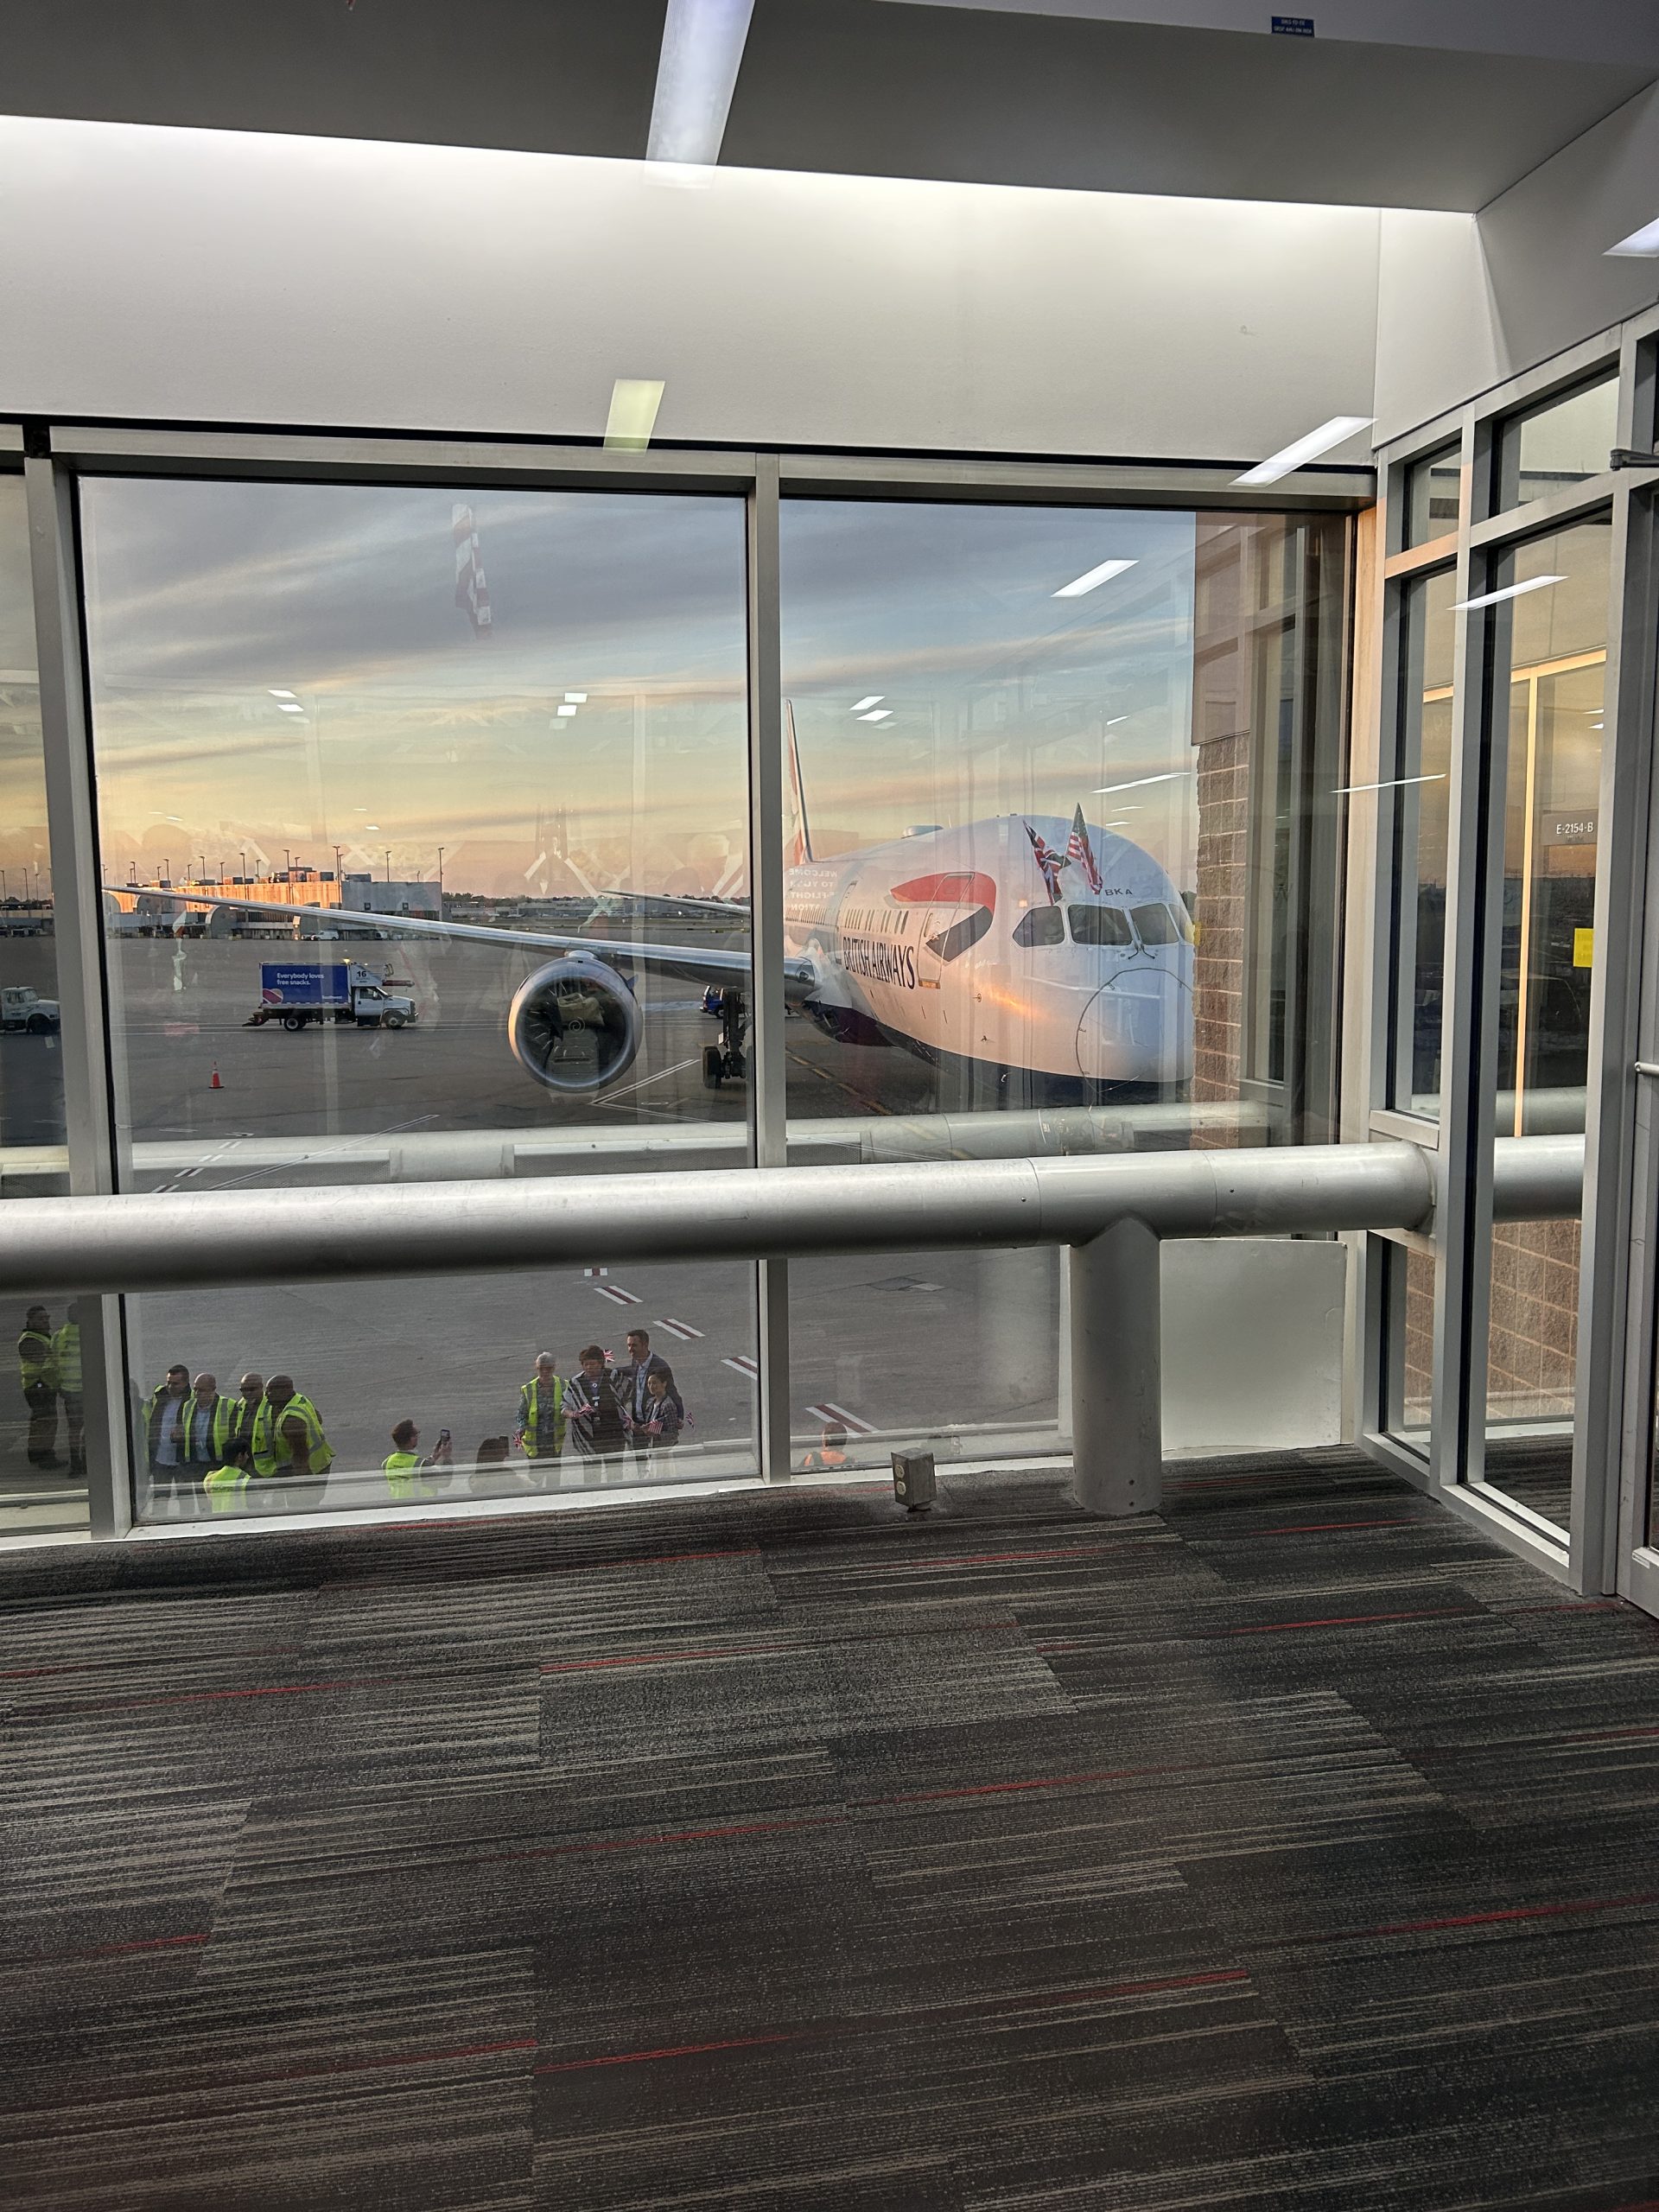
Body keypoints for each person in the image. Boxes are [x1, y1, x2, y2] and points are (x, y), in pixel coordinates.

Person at [255, 1373, 334, 1509]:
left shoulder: (291, 1420)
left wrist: (299, 1488)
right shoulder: (301, 1399)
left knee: (302, 1508)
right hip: (320, 1463)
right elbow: (318, 1419)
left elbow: (300, 1457)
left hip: (309, 1470)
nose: (266, 1395)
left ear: (284, 1391)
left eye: (270, 1391)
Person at [614, 1329, 682, 1470]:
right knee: (641, 1465)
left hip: (652, 1425)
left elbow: (673, 1393)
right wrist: (614, 1371)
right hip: (637, 1424)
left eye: (634, 1345)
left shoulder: (660, 1366)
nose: (630, 1349)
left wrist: (679, 1417)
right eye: (629, 1345)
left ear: (645, 1345)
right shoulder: (636, 1362)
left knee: (656, 1466)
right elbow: (631, 1370)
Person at [563, 1345, 626, 1465]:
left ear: (601, 1363)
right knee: (591, 1470)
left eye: (592, 1364)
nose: (589, 1367)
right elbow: (564, 1406)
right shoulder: (576, 1382)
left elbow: (628, 1396)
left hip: (613, 1432)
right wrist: (573, 1414)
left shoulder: (613, 1377)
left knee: (615, 1469)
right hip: (588, 1435)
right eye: (585, 1364)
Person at [17, 1305, 61, 1471]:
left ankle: (37, 1454)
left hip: (41, 1385)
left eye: (46, 1318)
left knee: (41, 1422)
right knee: (46, 1422)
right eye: (41, 1318)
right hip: (39, 1385)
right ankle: (45, 1457)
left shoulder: (41, 1337)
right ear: (30, 1321)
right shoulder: (30, 1339)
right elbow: (41, 1361)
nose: (45, 1321)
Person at [144, 1363, 193, 1514]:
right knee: (159, 1500)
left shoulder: (192, 1401)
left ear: (185, 1383)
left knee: (185, 1501)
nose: (170, 1387)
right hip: (161, 1459)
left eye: (175, 1384)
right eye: (168, 1382)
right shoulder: (159, 1396)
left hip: (182, 1460)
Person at [383, 1417, 452, 1503]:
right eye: (416, 1434)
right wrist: (447, 1457)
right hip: (420, 1506)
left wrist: (433, 1457)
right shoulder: (420, 1465)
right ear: (411, 1439)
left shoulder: (387, 1462)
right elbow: (445, 1482)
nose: (417, 1437)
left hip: (398, 1506)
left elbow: (412, 1468)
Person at [515, 1352, 566, 1466]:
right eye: (541, 1369)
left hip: (554, 1443)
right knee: (536, 1475)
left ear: (554, 1368)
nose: (545, 1372)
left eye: (548, 1368)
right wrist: (522, 1427)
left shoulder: (564, 1386)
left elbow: (570, 1406)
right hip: (535, 1445)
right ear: (537, 1368)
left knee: (554, 1473)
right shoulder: (528, 1389)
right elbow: (521, 1413)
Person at [53, 1302, 84, 1479]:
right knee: (91, 1427)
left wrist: (59, 1384)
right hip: (89, 1389)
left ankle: (75, 1462)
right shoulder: (91, 1333)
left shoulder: (59, 1336)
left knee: (74, 1428)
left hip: (69, 1390)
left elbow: (54, 1362)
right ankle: (87, 1460)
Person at [178, 1372, 222, 1488]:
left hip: (217, 1463)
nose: (197, 1393)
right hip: (195, 1463)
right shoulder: (188, 1406)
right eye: (196, 1389)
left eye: (202, 1390)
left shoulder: (227, 1405)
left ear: (213, 1390)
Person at [634, 1367, 683, 1470]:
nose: (651, 1386)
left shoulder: (668, 1405)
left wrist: (656, 1435)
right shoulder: (650, 1403)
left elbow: (672, 1434)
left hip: (663, 1454)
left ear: (664, 1384)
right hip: (651, 1450)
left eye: (655, 1383)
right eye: (649, 1383)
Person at [213, 1371, 263, 1462]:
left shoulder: (270, 1405)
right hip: (245, 1459)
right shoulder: (239, 1406)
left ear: (261, 1387)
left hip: (265, 1462)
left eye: (252, 1389)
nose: (247, 1393)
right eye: (243, 1390)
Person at [202, 1443, 256, 1515]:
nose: (248, 1457)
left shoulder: (210, 1478)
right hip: (240, 1519)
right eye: (246, 1454)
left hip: (218, 1519)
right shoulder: (246, 1480)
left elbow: (209, 1502)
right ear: (240, 1456)